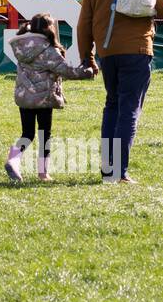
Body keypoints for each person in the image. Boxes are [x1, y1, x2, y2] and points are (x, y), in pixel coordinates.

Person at [75, 0, 163, 184]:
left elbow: (84, 21)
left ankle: (108, 168)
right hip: (137, 48)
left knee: (112, 106)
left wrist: (86, 56)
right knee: (129, 109)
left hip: (107, 50)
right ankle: (118, 172)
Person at [5, 13, 96, 183]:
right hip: (43, 97)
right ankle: (43, 173)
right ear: (49, 28)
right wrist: (87, 71)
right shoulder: (48, 50)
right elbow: (68, 71)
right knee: (44, 134)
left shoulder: (21, 45)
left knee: (27, 133)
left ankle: (13, 160)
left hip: (24, 96)